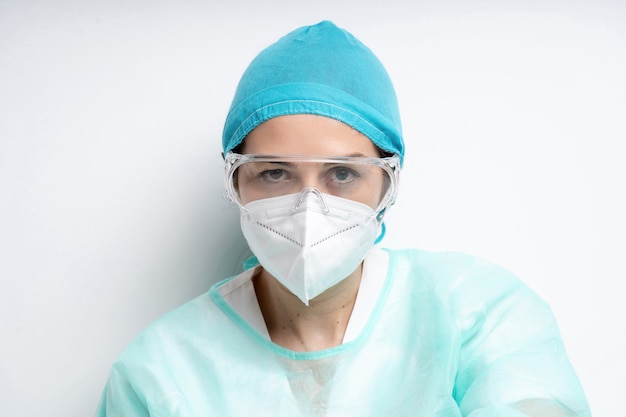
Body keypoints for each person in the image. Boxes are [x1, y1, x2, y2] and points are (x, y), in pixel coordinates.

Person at [95, 21, 592, 416]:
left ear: (387, 184)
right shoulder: (161, 371)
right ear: (235, 182)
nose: (308, 207)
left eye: (342, 173)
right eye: (273, 174)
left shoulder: (475, 315)